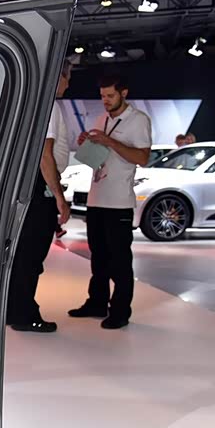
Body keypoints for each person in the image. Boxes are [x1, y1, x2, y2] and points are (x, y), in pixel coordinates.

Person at [69, 74, 151, 329]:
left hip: (119, 202)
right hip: (96, 198)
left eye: (110, 95)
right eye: (102, 96)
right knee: (98, 257)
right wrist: (86, 144)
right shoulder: (101, 119)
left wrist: (109, 141)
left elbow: (142, 158)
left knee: (120, 261)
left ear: (123, 93)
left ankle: (120, 311)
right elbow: (98, 154)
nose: (105, 100)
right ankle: (97, 302)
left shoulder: (138, 120)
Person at [7, 59, 72, 333]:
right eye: (68, 77)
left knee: (21, 254)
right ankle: (24, 314)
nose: (68, 84)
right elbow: (45, 155)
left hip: (23, 186)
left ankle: (12, 310)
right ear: (58, 76)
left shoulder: (27, 101)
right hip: (38, 189)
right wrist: (59, 196)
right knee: (31, 255)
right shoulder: (49, 106)